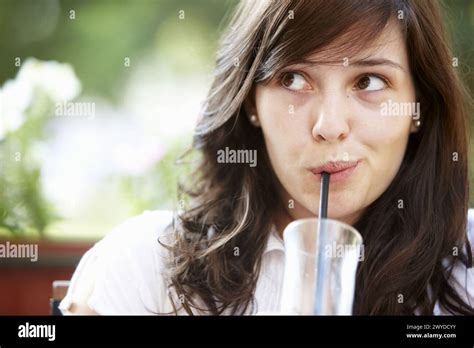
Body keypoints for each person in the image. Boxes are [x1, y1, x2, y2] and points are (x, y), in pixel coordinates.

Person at [60, 0, 474, 315]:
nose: (329, 125)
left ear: (419, 107)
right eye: (293, 79)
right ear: (251, 103)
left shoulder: (466, 265)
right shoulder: (146, 264)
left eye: (369, 81)